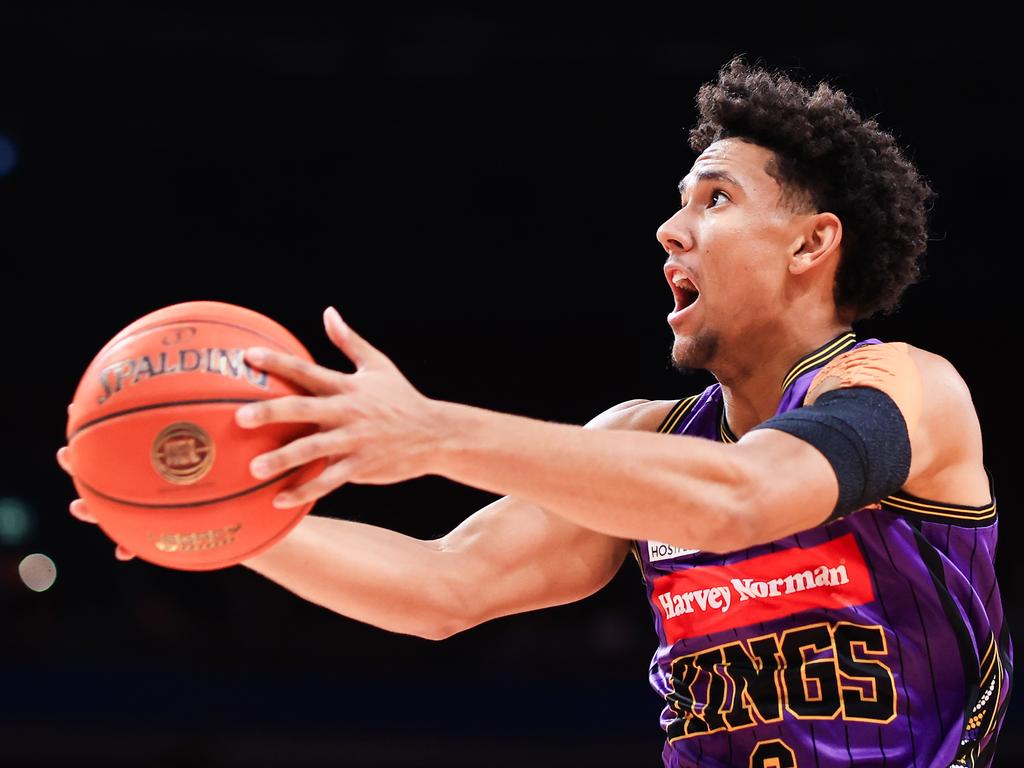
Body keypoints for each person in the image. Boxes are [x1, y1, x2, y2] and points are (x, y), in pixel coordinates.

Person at [57, 57, 1011, 767]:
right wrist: (211, 519)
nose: (671, 229)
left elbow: (745, 498)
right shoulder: (644, 440)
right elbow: (443, 586)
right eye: (677, 202)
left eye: (715, 199)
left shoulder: (908, 392)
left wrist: (431, 430)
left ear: (813, 243)